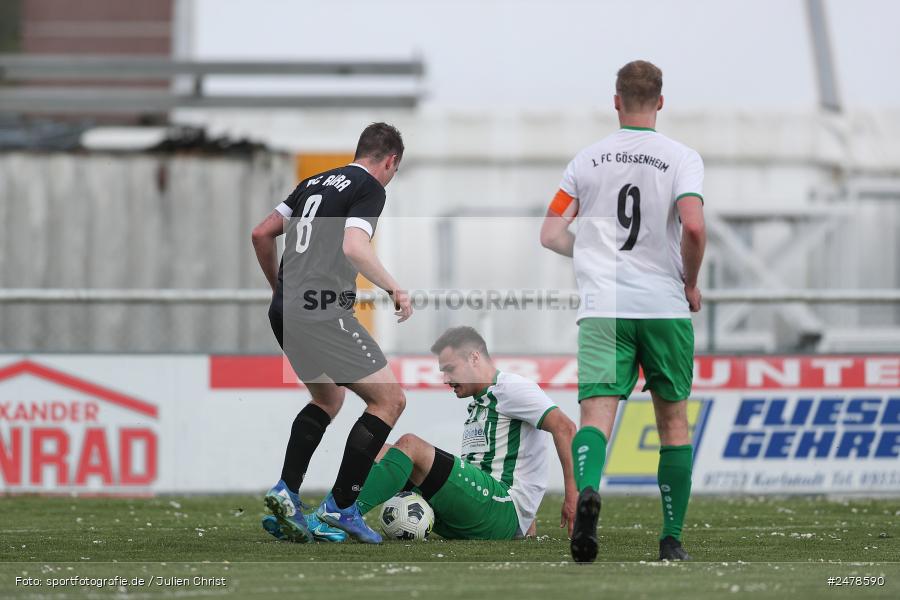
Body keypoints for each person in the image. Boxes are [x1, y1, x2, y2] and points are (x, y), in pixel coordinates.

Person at [540, 60, 706, 563]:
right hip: (663, 306)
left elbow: (550, 233)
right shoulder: (682, 158)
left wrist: (593, 254)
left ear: (616, 101)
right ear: (660, 102)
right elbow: (694, 226)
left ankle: (590, 491)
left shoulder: (586, 160)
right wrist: (690, 282)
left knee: (595, 416)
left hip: (604, 308)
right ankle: (671, 539)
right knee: (672, 423)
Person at [251, 122, 413, 544]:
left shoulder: (312, 183)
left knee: (328, 398)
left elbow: (261, 233)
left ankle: (287, 492)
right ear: (390, 161)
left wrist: (280, 290)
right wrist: (393, 288)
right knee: (390, 400)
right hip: (322, 312)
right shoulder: (369, 187)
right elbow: (354, 246)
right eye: (395, 171)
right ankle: (340, 505)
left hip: (286, 311)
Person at [352, 326, 578, 540]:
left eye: (450, 369)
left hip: (499, 506)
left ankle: (346, 514)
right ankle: (338, 507)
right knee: (381, 451)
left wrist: (572, 495)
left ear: (474, 357)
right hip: (482, 508)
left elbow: (565, 428)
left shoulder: (513, 388)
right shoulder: (480, 402)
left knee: (410, 445)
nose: (446, 379)